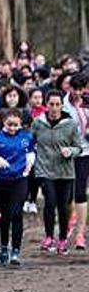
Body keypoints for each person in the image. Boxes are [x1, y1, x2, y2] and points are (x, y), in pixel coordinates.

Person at [0, 109, 35, 266]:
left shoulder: (26, 137)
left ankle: (16, 251)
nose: (12, 128)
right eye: (9, 125)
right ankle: (4, 246)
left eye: (16, 125)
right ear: (4, 123)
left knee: (17, 213)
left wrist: (30, 161)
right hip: (2, 180)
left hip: (20, 178)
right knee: (6, 214)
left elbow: (30, 150)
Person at [32, 90, 82, 254]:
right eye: (51, 104)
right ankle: (48, 236)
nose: (54, 108)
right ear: (46, 105)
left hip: (65, 171)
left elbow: (79, 147)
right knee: (50, 202)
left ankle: (62, 238)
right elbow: (29, 141)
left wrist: (70, 151)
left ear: (62, 105)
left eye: (57, 104)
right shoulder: (38, 123)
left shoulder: (70, 124)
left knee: (63, 206)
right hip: (45, 170)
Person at [62, 73, 89, 250]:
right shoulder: (64, 105)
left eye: (81, 89)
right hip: (70, 153)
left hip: (86, 152)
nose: (78, 93)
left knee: (80, 192)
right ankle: (66, 229)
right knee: (69, 193)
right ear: (70, 88)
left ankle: (80, 233)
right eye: (75, 89)